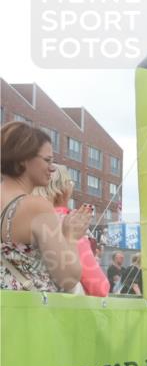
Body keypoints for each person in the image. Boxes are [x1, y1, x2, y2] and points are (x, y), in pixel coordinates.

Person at [0, 121, 87, 292]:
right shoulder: (36, 207)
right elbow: (68, 278)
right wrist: (71, 236)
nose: (52, 168)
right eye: (47, 160)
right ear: (24, 159)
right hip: (25, 313)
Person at [34, 165, 110, 296]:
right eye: (70, 183)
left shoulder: (26, 218)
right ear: (63, 189)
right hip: (60, 309)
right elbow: (99, 287)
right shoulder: (70, 223)